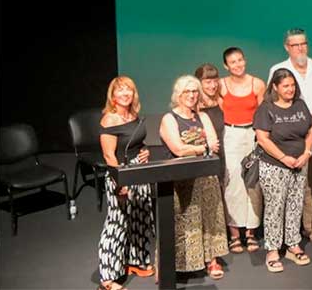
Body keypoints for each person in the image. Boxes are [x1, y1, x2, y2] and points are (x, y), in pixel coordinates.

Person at [268, 28, 312, 247]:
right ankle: (287, 232)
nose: (300, 48)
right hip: (288, 140)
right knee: (287, 186)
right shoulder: (279, 69)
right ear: (287, 47)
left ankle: (310, 228)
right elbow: (270, 102)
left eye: (303, 44)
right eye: (295, 45)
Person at [159, 75, 228, 280]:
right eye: (187, 92)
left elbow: (214, 145)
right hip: (182, 178)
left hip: (206, 177)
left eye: (195, 91)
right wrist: (201, 147)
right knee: (185, 219)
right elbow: (178, 150)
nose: (191, 95)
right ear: (178, 95)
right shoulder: (169, 119)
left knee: (210, 218)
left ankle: (211, 260)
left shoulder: (203, 116)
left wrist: (198, 148)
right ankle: (181, 263)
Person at [253, 68, 312, 273]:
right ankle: (272, 249)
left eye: (292, 85)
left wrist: (306, 153)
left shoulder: (300, 105)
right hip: (274, 166)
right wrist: (283, 158)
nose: (290, 89)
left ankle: (292, 244)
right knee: (275, 207)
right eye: (285, 86)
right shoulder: (266, 108)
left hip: (299, 164)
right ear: (275, 87)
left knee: (295, 204)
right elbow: (262, 139)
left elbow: (310, 129)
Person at [97, 77, 154, 290]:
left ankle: (135, 261)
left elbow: (136, 143)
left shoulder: (133, 115)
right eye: (120, 90)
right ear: (113, 95)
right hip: (120, 174)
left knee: (140, 216)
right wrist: (120, 182)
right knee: (118, 223)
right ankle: (108, 279)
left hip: (138, 170)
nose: (125, 94)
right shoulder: (109, 119)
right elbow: (109, 155)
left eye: (129, 89)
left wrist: (144, 151)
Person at [219, 47, 266, 254]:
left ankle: (251, 232)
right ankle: (235, 233)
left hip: (252, 134)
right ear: (226, 66)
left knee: (253, 182)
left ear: (245, 60)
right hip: (231, 135)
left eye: (240, 60)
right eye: (232, 62)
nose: (237, 65)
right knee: (233, 183)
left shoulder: (257, 84)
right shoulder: (221, 85)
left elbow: (263, 113)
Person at [195, 64, 226, 183]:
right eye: (208, 82)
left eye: (215, 81)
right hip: (204, 156)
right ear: (199, 83)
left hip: (223, 153)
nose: (213, 86)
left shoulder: (220, 101)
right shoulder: (195, 106)